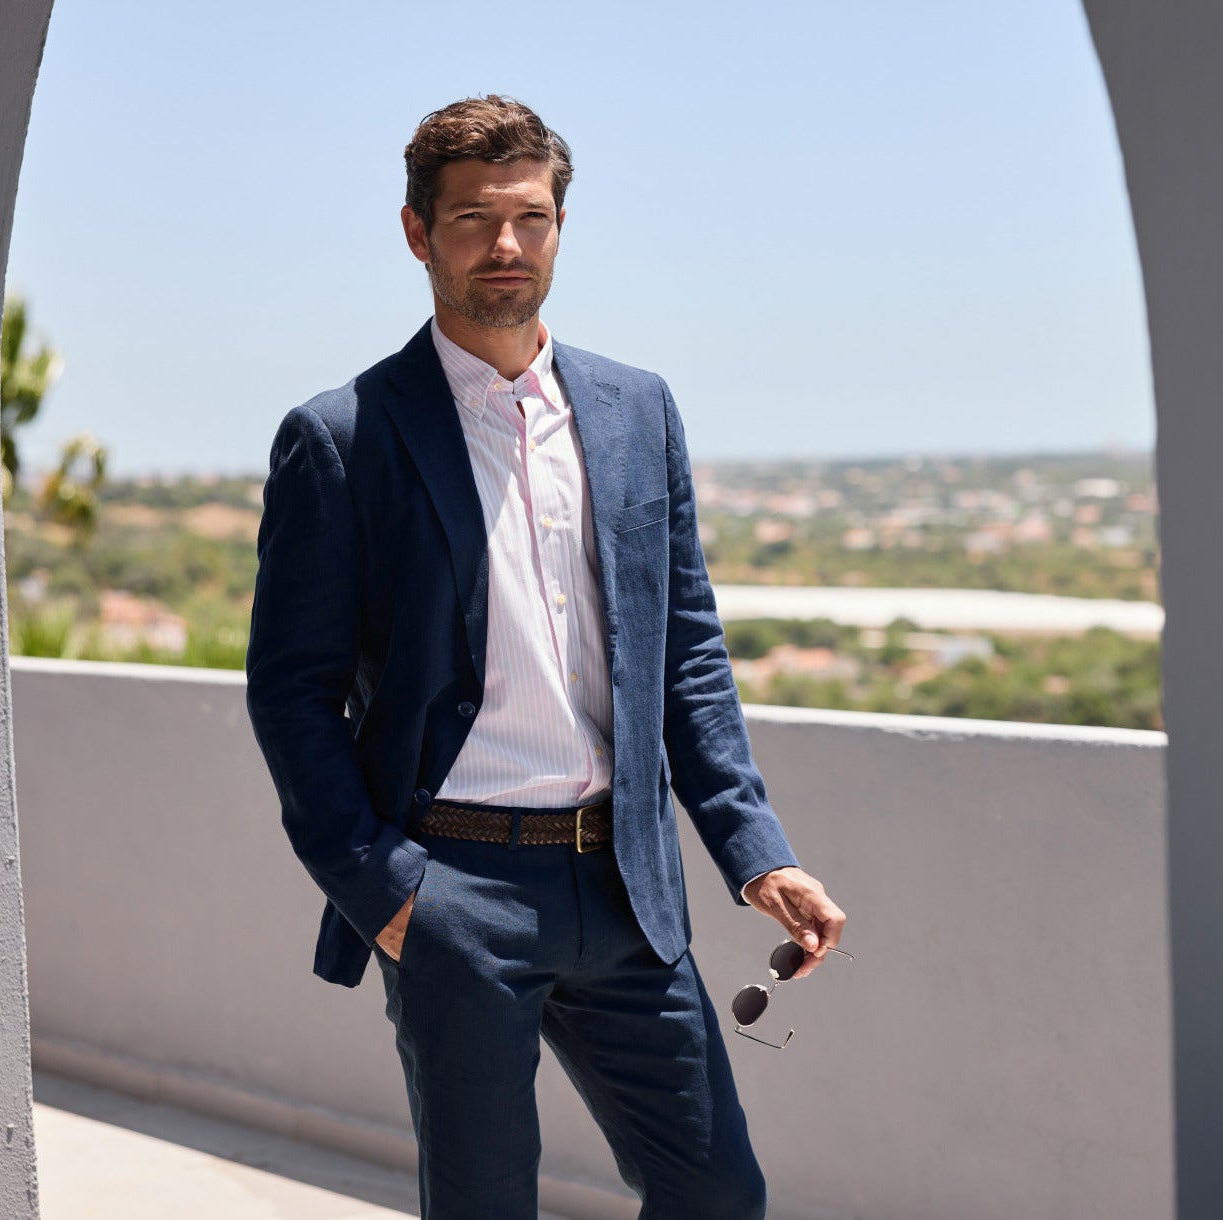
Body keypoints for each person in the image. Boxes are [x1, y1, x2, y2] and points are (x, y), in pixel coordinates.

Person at [244, 94, 846, 1219]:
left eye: (529, 217)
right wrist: (386, 892)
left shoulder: (634, 409)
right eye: (472, 219)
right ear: (418, 233)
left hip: (625, 884)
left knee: (717, 1191)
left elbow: (687, 651)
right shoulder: (342, 435)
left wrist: (754, 850)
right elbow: (290, 690)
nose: (505, 245)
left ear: (561, 226)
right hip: (453, 888)